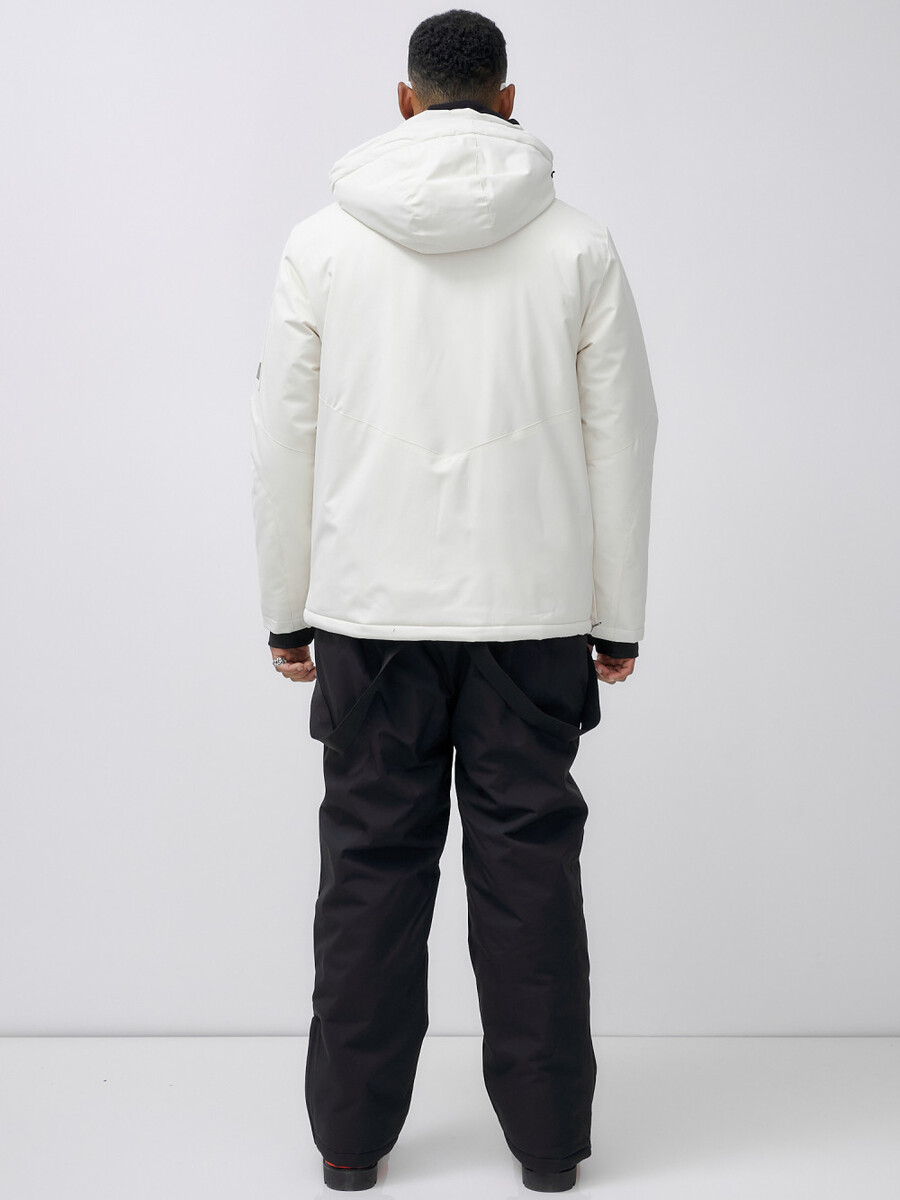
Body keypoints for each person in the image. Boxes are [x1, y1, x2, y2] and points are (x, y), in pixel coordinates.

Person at [249, 9, 658, 1193]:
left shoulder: (322, 242)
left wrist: (288, 609)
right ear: (509, 100)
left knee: (370, 872)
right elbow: (623, 435)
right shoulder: (579, 245)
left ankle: (349, 1142)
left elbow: (281, 437)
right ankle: (548, 1147)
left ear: (405, 98)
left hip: (370, 612)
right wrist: (616, 615)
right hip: (530, 612)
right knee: (530, 875)